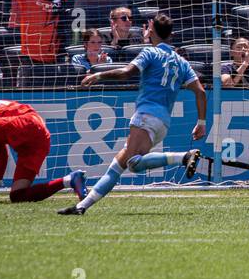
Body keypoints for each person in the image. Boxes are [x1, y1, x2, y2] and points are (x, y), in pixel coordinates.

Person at [60, 14, 205, 215]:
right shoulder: (181, 61)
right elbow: (201, 92)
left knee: (133, 163)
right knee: (118, 165)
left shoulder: (150, 53)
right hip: (163, 122)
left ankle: (183, 157)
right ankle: (81, 206)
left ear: (151, 29)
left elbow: (127, 72)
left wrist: (98, 74)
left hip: (145, 115)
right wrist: (201, 122)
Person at [0, 97, 86, 205]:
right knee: (18, 196)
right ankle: (70, 180)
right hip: (39, 138)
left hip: (27, 122)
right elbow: (1, 153)